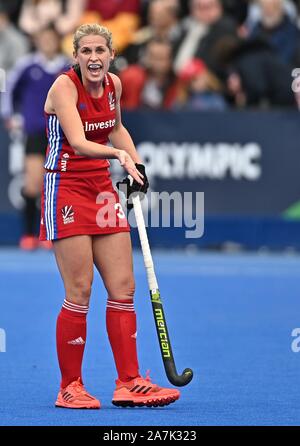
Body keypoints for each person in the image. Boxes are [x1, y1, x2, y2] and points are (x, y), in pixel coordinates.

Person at [40, 23, 180, 409]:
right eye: (85, 51)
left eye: (100, 50)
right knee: (80, 291)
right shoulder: (64, 88)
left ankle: (129, 382)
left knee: (123, 287)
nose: (94, 58)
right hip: (65, 188)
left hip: (101, 189)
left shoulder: (114, 87)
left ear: (111, 55)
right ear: (76, 57)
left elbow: (116, 129)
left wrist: (135, 163)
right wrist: (118, 157)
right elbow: (82, 142)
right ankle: (70, 386)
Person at [1, 25, 70, 250]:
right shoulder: (27, 65)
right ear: (38, 40)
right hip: (35, 132)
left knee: (56, 186)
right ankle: (29, 233)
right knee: (32, 184)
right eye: (44, 38)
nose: (48, 42)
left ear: (57, 40)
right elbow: (9, 88)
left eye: (52, 38)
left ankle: (51, 233)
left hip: (61, 134)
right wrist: (9, 115)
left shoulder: (67, 66)